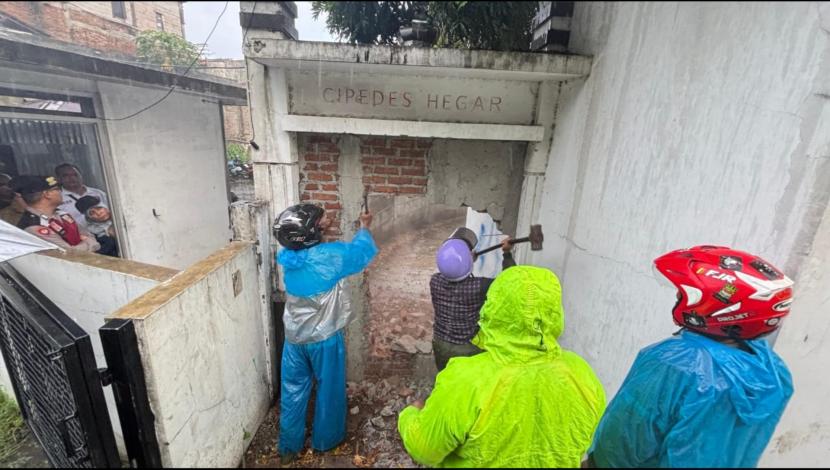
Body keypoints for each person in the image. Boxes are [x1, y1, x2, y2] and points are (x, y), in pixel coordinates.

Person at [587, 245, 795, 468]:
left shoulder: (674, 363)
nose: (679, 296)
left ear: (718, 306)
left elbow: (622, 441)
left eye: (685, 292)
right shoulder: (775, 373)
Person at [398, 265, 607, 468]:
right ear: (554, 312)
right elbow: (590, 437)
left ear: (493, 308)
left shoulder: (466, 378)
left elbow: (425, 449)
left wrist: (408, 415)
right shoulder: (582, 374)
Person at [273, 203, 378, 465]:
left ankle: (288, 449)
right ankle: (325, 442)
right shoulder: (330, 257)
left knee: (293, 391)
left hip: (295, 341)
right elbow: (361, 252)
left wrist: (320, 224)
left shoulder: (289, 257)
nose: (327, 220)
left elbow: (309, 243)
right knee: (329, 390)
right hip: (324, 341)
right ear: (311, 232)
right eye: (322, 220)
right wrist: (364, 226)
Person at [430, 227, 515, 372]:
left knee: (445, 378)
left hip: (440, 343)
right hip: (465, 349)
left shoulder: (434, 281)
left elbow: (452, 268)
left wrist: (467, 260)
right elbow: (510, 281)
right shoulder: (480, 287)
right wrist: (507, 253)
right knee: (466, 383)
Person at [10, 175, 100, 252]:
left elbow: (90, 236)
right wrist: (89, 242)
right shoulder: (34, 226)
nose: (60, 192)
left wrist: (88, 242)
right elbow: (70, 254)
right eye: (57, 189)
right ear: (47, 194)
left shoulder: (61, 214)